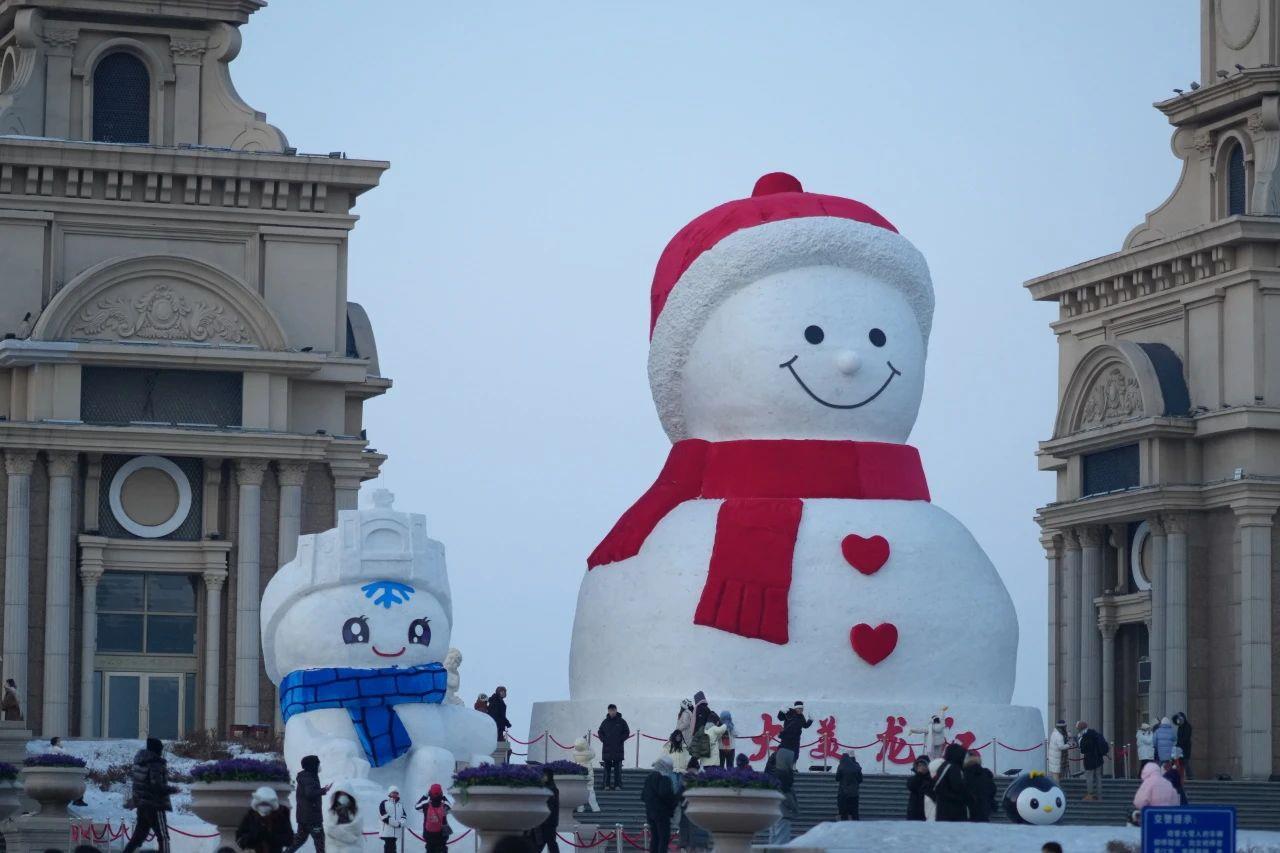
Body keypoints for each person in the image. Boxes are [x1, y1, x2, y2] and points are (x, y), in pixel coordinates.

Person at [122, 737, 172, 853]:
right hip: (155, 805)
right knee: (163, 837)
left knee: (137, 838)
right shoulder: (156, 764)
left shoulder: (140, 763)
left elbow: (137, 785)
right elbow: (157, 786)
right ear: (157, 750)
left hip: (142, 806)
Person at [288, 755, 330, 853]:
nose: (319, 766)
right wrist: (323, 790)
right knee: (320, 842)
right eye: (317, 764)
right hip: (312, 817)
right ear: (312, 766)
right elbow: (310, 793)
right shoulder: (309, 777)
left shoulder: (306, 776)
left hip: (304, 816)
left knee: (300, 839)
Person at [236, 786, 294, 853]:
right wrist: (255, 835)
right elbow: (240, 839)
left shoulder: (280, 816)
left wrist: (270, 836)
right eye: (261, 804)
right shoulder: (251, 816)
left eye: (267, 804)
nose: (264, 807)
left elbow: (289, 840)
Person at [641, 756, 678, 853]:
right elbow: (665, 793)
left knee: (655, 838)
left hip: (650, 813)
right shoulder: (664, 777)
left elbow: (643, 796)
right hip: (662, 813)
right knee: (663, 839)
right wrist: (674, 801)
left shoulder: (649, 777)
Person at [766, 748, 799, 845]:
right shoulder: (784, 775)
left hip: (774, 813)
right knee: (781, 842)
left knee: (773, 840)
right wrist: (794, 807)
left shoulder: (774, 773)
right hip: (782, 813)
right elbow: (786, 795)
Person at [677, 761, 711, 853]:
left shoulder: (684, 780)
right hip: (701, 814)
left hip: (687, 814)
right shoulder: (703, 780)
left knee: (688, 842)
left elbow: (677, 797)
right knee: (698, 842)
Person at [931, 744, 969, 822]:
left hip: (943, 808)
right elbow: (957, 787)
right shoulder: (953, 768)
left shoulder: (944, 766)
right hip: (953, 810)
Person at [597, 704, 630, 791]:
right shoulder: (605, 722)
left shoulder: (622, 721)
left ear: (616, 710)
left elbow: (627, 732)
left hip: (618, 749)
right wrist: (603, 739)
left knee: (617, 769)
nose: (612, 712)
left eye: (613, 710)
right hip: (607, 749)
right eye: (610, 710)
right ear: (608, 711)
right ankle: (606, 785)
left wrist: (620, 739)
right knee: (607, 769)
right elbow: (600, 732)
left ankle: (617, 785)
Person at [528, 766, 560, 853]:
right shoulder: (544, 787)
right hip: (542, 820)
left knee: (550, 843)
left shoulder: (552, 788)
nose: (542, 777)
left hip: (548, 822)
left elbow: (550, 805)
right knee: (539, 842)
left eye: (544, 775)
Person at [1076, 720, 1108, 802]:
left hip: (1089, 760)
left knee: (1089, 777)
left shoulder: (1085, 736)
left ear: (1080, 728)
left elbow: (1082, 750)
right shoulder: (1097, 734)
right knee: (1098, 777)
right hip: (1099, 759)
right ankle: (1100, 796)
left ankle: (1090, 795)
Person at [415, 784, 452, 853]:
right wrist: (443, 796)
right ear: (441, 792)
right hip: (442, 836)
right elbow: (450, 808)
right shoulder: (444, 804)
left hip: (429, 835)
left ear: (430, 793)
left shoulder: (426, 804)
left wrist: (425, 795)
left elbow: (416, 806)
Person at [962, 751, 996, 822]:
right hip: (984, 810)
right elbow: (993, 790)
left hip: (967, 812)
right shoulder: (986, 774)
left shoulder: (962, 773)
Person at [378, 787, 408, 853]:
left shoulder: (399, 804)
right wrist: (396, 823)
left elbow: (404, 816)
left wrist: (401, 823)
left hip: (396, 832)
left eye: (396, 793)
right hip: (387, 832)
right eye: (393, 793)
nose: (395, 794)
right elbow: (383, 816)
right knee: (389, 848)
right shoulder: (384, 803)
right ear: (389, 793)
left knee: (393, 847)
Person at [835, 752, 862, 820]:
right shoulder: (856, 766)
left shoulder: (841, 766)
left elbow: (837, 778)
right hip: (854, 793)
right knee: (855, 812)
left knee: (844, 813)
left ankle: (845, 828)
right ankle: (856, 827)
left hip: (843, 793)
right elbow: (860, 779)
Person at [906, 756, 932, 820]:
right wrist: (919, 774)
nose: (921, 767)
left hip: (927, 812)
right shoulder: (913, 778)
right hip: (914, 812)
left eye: (924, 765)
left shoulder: (932, 779)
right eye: (919, 765)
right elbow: (911, 786)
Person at [1172, 712, 1193, 778]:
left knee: (1185, 761)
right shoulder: (1180, 727)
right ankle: (1180, 775)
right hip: (1180, 747)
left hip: (1185, 747)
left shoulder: (1188, 726)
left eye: (1180, 719)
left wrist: (1180, 744)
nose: (1179, 721)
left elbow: (1186, 738)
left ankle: (1190, 776)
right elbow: (1179, 738)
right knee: (1180, 762)